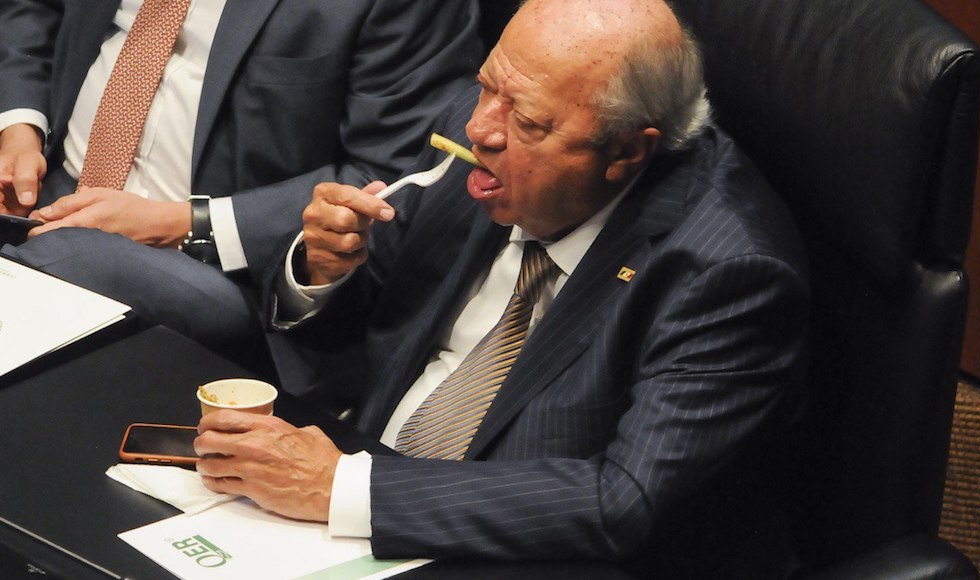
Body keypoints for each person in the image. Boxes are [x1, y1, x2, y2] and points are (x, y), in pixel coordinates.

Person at [195, 0, 810, 576]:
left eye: (528, 120)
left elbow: (621, 501)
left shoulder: (727, 273)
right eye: (488, 86)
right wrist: (323, 271)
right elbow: (366, 324)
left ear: (624, 152)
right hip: (343, 501)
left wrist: (344, 489)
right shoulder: (483, 142)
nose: (479, 127)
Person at [0, 0, 481, 365]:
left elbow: (392, 173)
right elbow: (33, 9)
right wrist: (19, 127)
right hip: (46, 188)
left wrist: (181, 223)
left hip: (220, 266)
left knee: (66, 262)